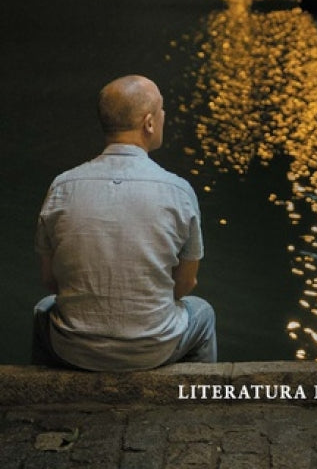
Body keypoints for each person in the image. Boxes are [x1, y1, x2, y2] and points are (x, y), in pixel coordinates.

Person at [33, 74, 217, 370]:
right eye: (161, 110)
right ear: (148, 123)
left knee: (44, 309)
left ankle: (44, 398)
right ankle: (196, 401)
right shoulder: (179, 191)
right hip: (151, 349)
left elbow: (50, 280)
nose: (163, 116)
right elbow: (184, 284)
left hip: (73, 348)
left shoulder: (62, 187)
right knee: (203, 312)